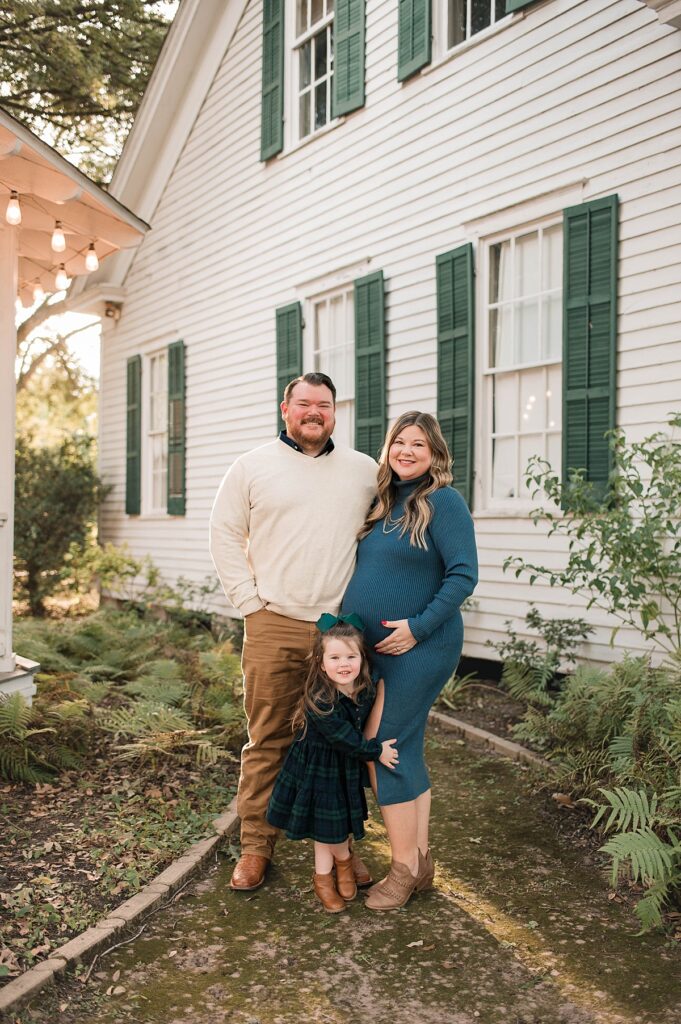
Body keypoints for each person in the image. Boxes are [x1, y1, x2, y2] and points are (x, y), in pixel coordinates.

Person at [209, 372, 377, 891]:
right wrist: (250, 604)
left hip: (338, 632)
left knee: (345, 741)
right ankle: (256, 847)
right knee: (268, 738)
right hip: (273, 621)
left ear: (334, 412)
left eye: (323, 405)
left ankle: (345, 850)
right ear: (286, 409)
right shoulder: (252, 467)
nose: (314, 412)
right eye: (303, 403)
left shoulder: (363, 471)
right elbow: (224, 532)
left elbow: (387, 533)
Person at [341, 410, 478, 911]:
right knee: (408, 747)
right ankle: (420, 863)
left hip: (424, 646)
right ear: (389, 449)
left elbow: (463, 576)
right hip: (376, 652)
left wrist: (416, 628)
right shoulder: (384, 503)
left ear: (434, 453)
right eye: (400, 442)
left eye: (418, 444)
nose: (407, 451)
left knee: (383, 746)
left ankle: (401, 870)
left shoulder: (445, 502)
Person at [266, 615, 398, 913]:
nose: (344, 664)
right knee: (329, 830)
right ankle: (334, 871)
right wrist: (375, 751)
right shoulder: (321, 700)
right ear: (321, 663)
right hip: (318, 771)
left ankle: (333, 871)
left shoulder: (363, 689)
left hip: (342, 771)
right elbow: (345, 740)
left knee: (331, 828)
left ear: (362, 659)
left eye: (351, 656)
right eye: (335, 657)